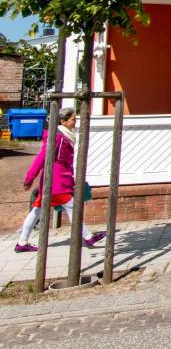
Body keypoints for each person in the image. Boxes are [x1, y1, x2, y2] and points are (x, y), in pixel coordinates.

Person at [14, 108, 105, 253]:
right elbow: (42, 157)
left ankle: (22, 242)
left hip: (58, 179)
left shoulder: (65, 137)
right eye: (73, 119)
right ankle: (88, 236)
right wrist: (29, 178)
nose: (75, 121)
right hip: (56, 180)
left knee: (37, 210)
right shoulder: (57, 138)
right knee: (71, 206)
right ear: (63, 121)